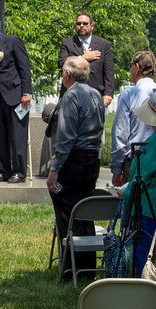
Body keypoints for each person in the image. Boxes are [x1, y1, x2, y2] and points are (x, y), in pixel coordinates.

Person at [46, 56, 105, 277]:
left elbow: (66, 137)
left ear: (68, 75)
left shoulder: (70, 96)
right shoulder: (96, 94)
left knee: (66, 211)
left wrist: (55, 170)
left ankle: (71, 267)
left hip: (74, 158)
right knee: (84, 210)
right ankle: (88, 266)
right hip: (92, 158)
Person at [121, 87, 156, 276]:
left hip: (151, 211)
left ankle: (145, 295)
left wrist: (124, 195)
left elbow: (138, 178)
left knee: (147, 259)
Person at [0, 16, 32, 183]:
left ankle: (20, 172)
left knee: (17, 135)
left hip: (15, 96)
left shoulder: (13, 41)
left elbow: (24, 67)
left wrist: (26, 92)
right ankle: (3, 171)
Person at [109, 50, 156, 187]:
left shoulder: (129, 94)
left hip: (136, 160)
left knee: (133, 205)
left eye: (131, 65)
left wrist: (116, 169)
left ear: (137, 67)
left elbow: (120, 133)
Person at [58, 13, 114, 107]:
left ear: (92, 26)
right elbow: (61, 64)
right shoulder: (67, 43)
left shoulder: (103, 45)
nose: (81, 26)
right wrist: (83, 58)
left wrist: (108, 94)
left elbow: (108, 71)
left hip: (96, 94)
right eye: (79, 23)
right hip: (71, 94)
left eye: (85, 23)